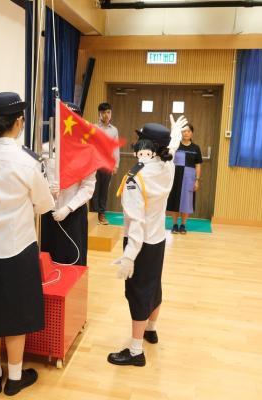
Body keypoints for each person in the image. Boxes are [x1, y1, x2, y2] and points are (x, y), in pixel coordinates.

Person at [0, 92, 55, 395]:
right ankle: (14, 379)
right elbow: (44, 205)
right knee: (16, 315)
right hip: (18, 249)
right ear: (18, 122)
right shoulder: (27, 161)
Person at [107, 116, 187, 367]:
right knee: (153, 286)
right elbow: (172, 148)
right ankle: (151, 330)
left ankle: (135, 351)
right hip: (158, 239)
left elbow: (136, 223)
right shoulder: (167, 166)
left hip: (140, 243)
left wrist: (129, 256)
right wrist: (175, 134)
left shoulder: (136, 178)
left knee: (138, 293)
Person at [41, 103, 96, 266]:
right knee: (47, 261)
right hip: (48, 212)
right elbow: (38, 176)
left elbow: (88, 186)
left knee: (73, 261)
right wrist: (46, 189)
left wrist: (68, 208)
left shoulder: (86, 152)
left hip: (73, 213)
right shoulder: (45, 149)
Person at [166, 122, 202, 234]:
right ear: (180, 133)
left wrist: (197, 180)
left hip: (189, 178)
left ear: (192, 133)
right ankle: (174, 224)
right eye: (184, 131)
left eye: (188, 131)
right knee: (175, 201)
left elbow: (198, 165)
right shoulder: (175, 145)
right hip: (175, 177)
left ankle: (183, 225)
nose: (186, 133)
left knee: (186, 201)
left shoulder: (196, 148)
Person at [91, 102, 120, 225]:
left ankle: (101, 214)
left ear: (111, 113)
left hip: (107, 164)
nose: (106, 115)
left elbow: (116, 148)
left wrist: (116, 165)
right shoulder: (93, 127)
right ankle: (93, 214)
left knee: (104, 190)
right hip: (94, 164)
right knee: (94, 189)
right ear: (99, 114)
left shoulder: (114, 130)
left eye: (108, 112)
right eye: (103, 112)